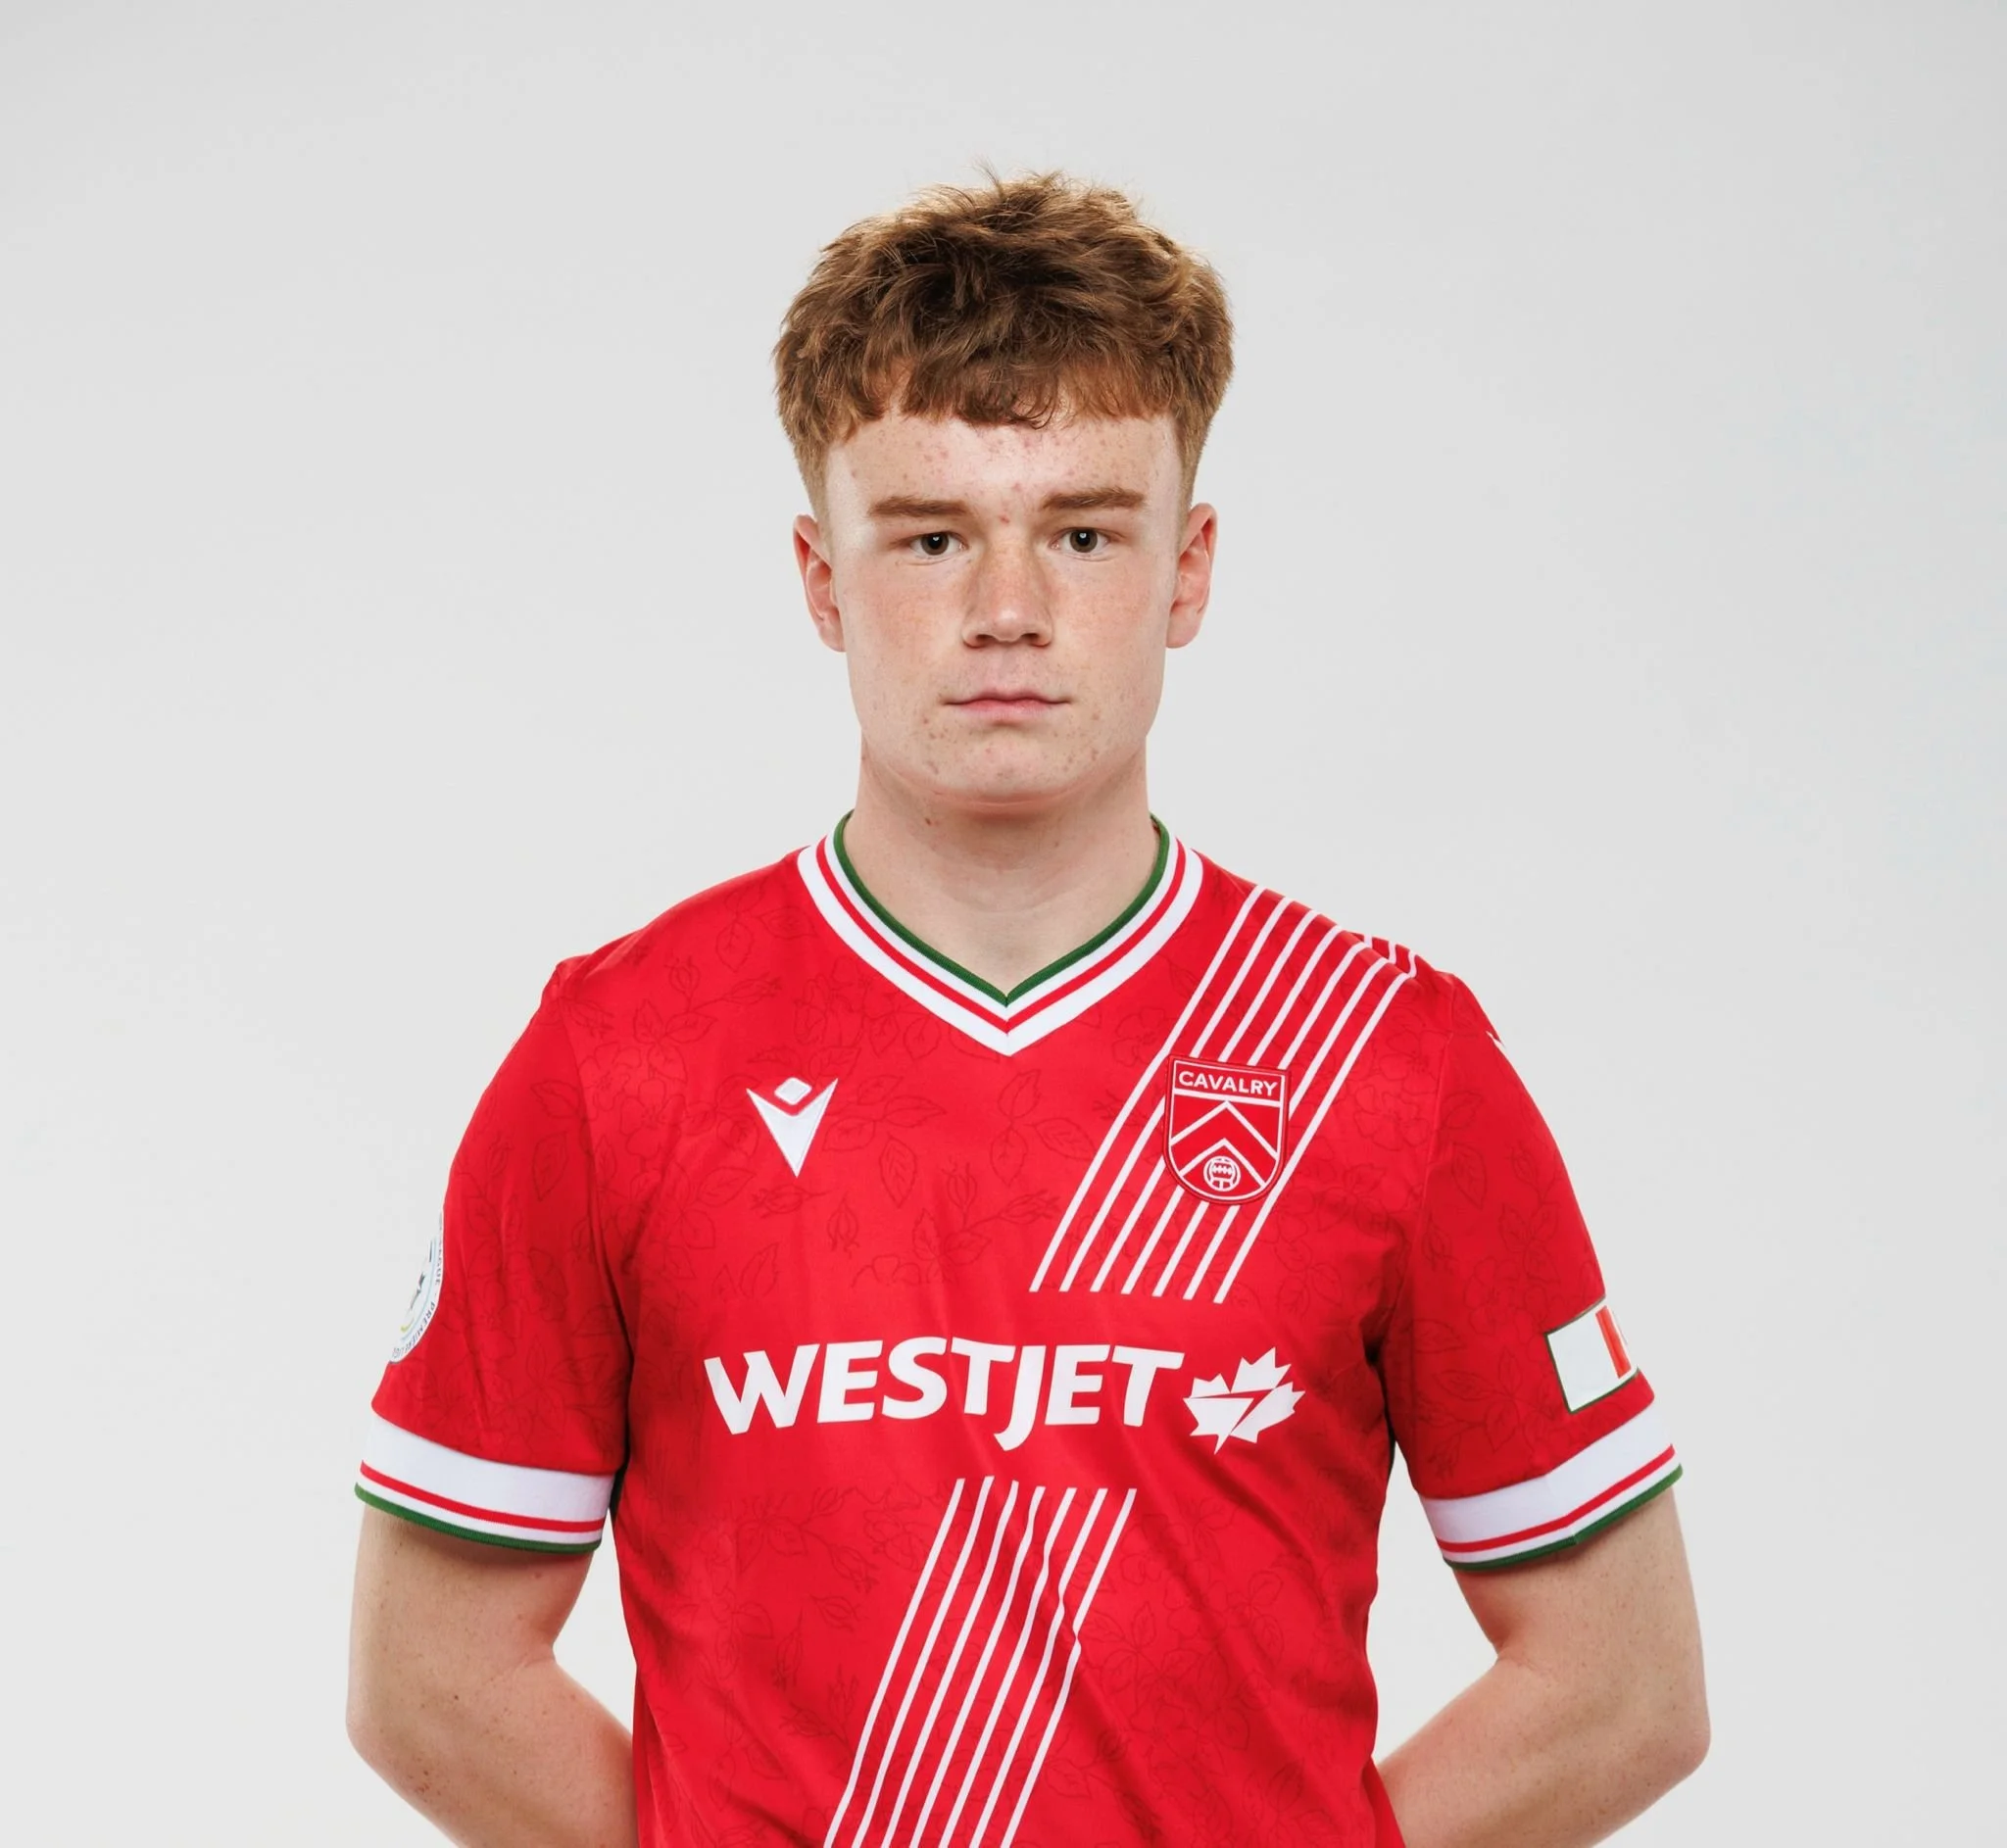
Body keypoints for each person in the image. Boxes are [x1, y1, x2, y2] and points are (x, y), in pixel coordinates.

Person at [346, 172, 1707, 1848]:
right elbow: (428, 1674)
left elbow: (1622, 1683)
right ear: (821, 577)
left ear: (1188, 568)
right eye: (930, 535)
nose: (1007, 607)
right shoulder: (622, 1055)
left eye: (1082, 530)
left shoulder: (1378, 1054)